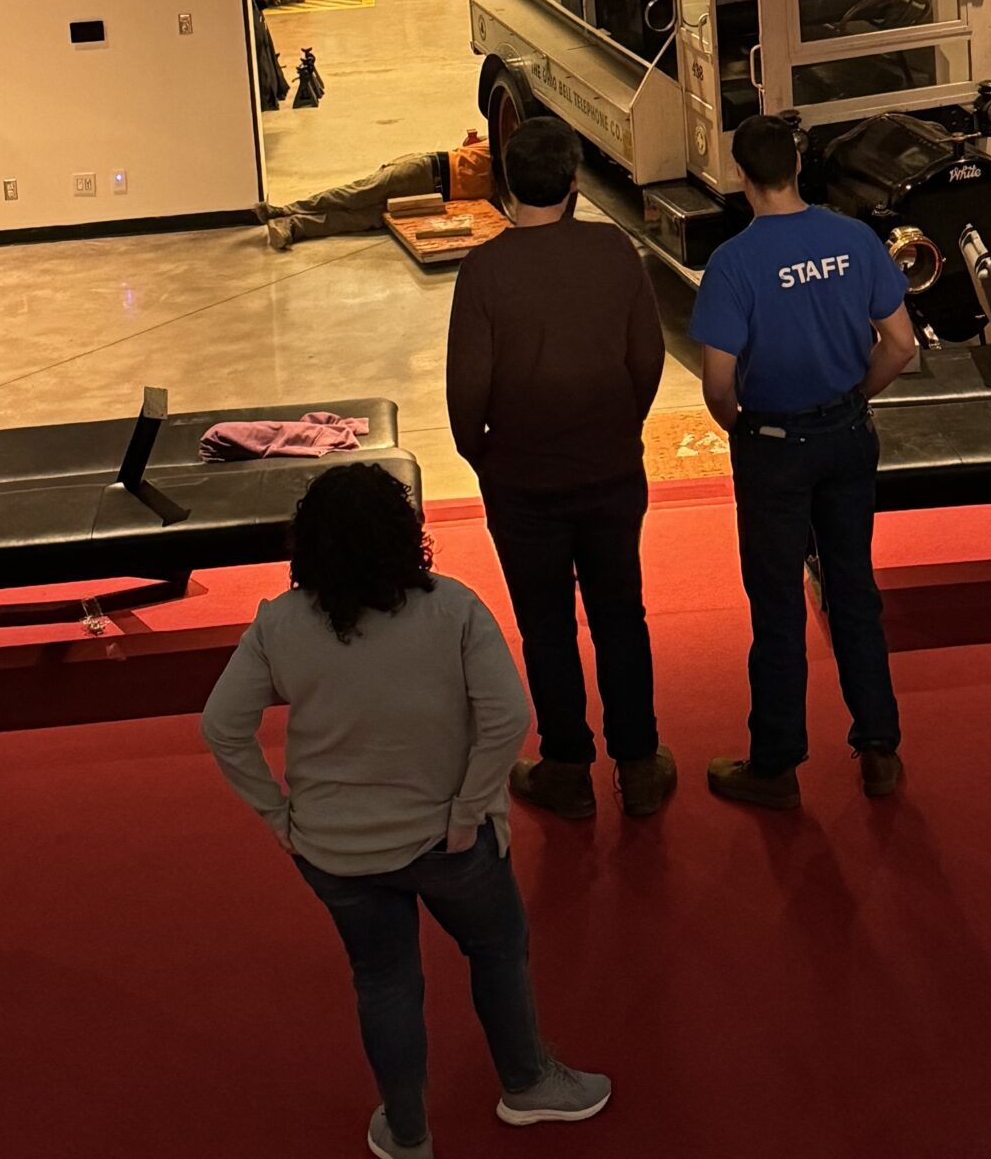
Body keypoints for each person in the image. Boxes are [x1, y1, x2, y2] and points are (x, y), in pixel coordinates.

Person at [201, 464, 609, 1157]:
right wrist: (470, 809)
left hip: (333, 852)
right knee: (498, 950)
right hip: (446, 842)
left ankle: (409, 1131)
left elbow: (221, 727)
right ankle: (528, 1082)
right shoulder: (452, 609)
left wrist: (278, 817)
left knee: (384, 980)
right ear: (406, 534)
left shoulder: (280, 623)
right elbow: (509, 717)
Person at [445, 115, 673, 823]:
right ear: (575, 185)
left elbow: (465, 394)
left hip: (522, 482)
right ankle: (637, 765)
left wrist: (487, 457)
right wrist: (619, 427)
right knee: (621, 617)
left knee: (545, 627)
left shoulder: (483, 270)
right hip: (608, 470)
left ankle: (567, 766)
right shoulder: (614, 251)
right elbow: (648, 360)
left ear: (509, 187)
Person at [691, 113, 917, 810]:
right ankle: (879, 748)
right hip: (848, 439)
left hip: (774, 450)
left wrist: (742, 427)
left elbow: (719, 382)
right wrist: (853, 395)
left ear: (740, 175)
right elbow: (901, 345)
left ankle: (777, 763)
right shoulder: (853, 238)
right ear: (797, 165)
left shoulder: (734, 264)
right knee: (853, 591)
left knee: (778, 604)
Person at [259, 133, 496, 249]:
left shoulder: (513, 182)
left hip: (437, 200)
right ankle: (284, 210)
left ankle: (293, 227)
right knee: (356, 195)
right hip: (425, 170)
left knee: (366, 219)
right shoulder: (499, 140)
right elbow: (470, 142)